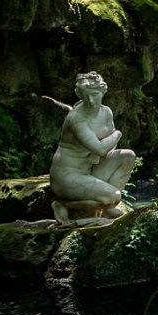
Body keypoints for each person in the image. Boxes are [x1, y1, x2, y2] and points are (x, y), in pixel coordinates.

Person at [49, 72, 136, 225]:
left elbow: (109, 147)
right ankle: (63, 204)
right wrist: (118, 133)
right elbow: (101, 149)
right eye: (85, 95)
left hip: (89, 169)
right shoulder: (76, 118)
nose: (91, 100)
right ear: (80, 95)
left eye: (95, 94)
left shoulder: (106, 112)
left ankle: (107, 208)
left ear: (103, 92)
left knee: (127, 156)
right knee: (113, 196)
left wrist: (109, 143)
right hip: (67, 176)